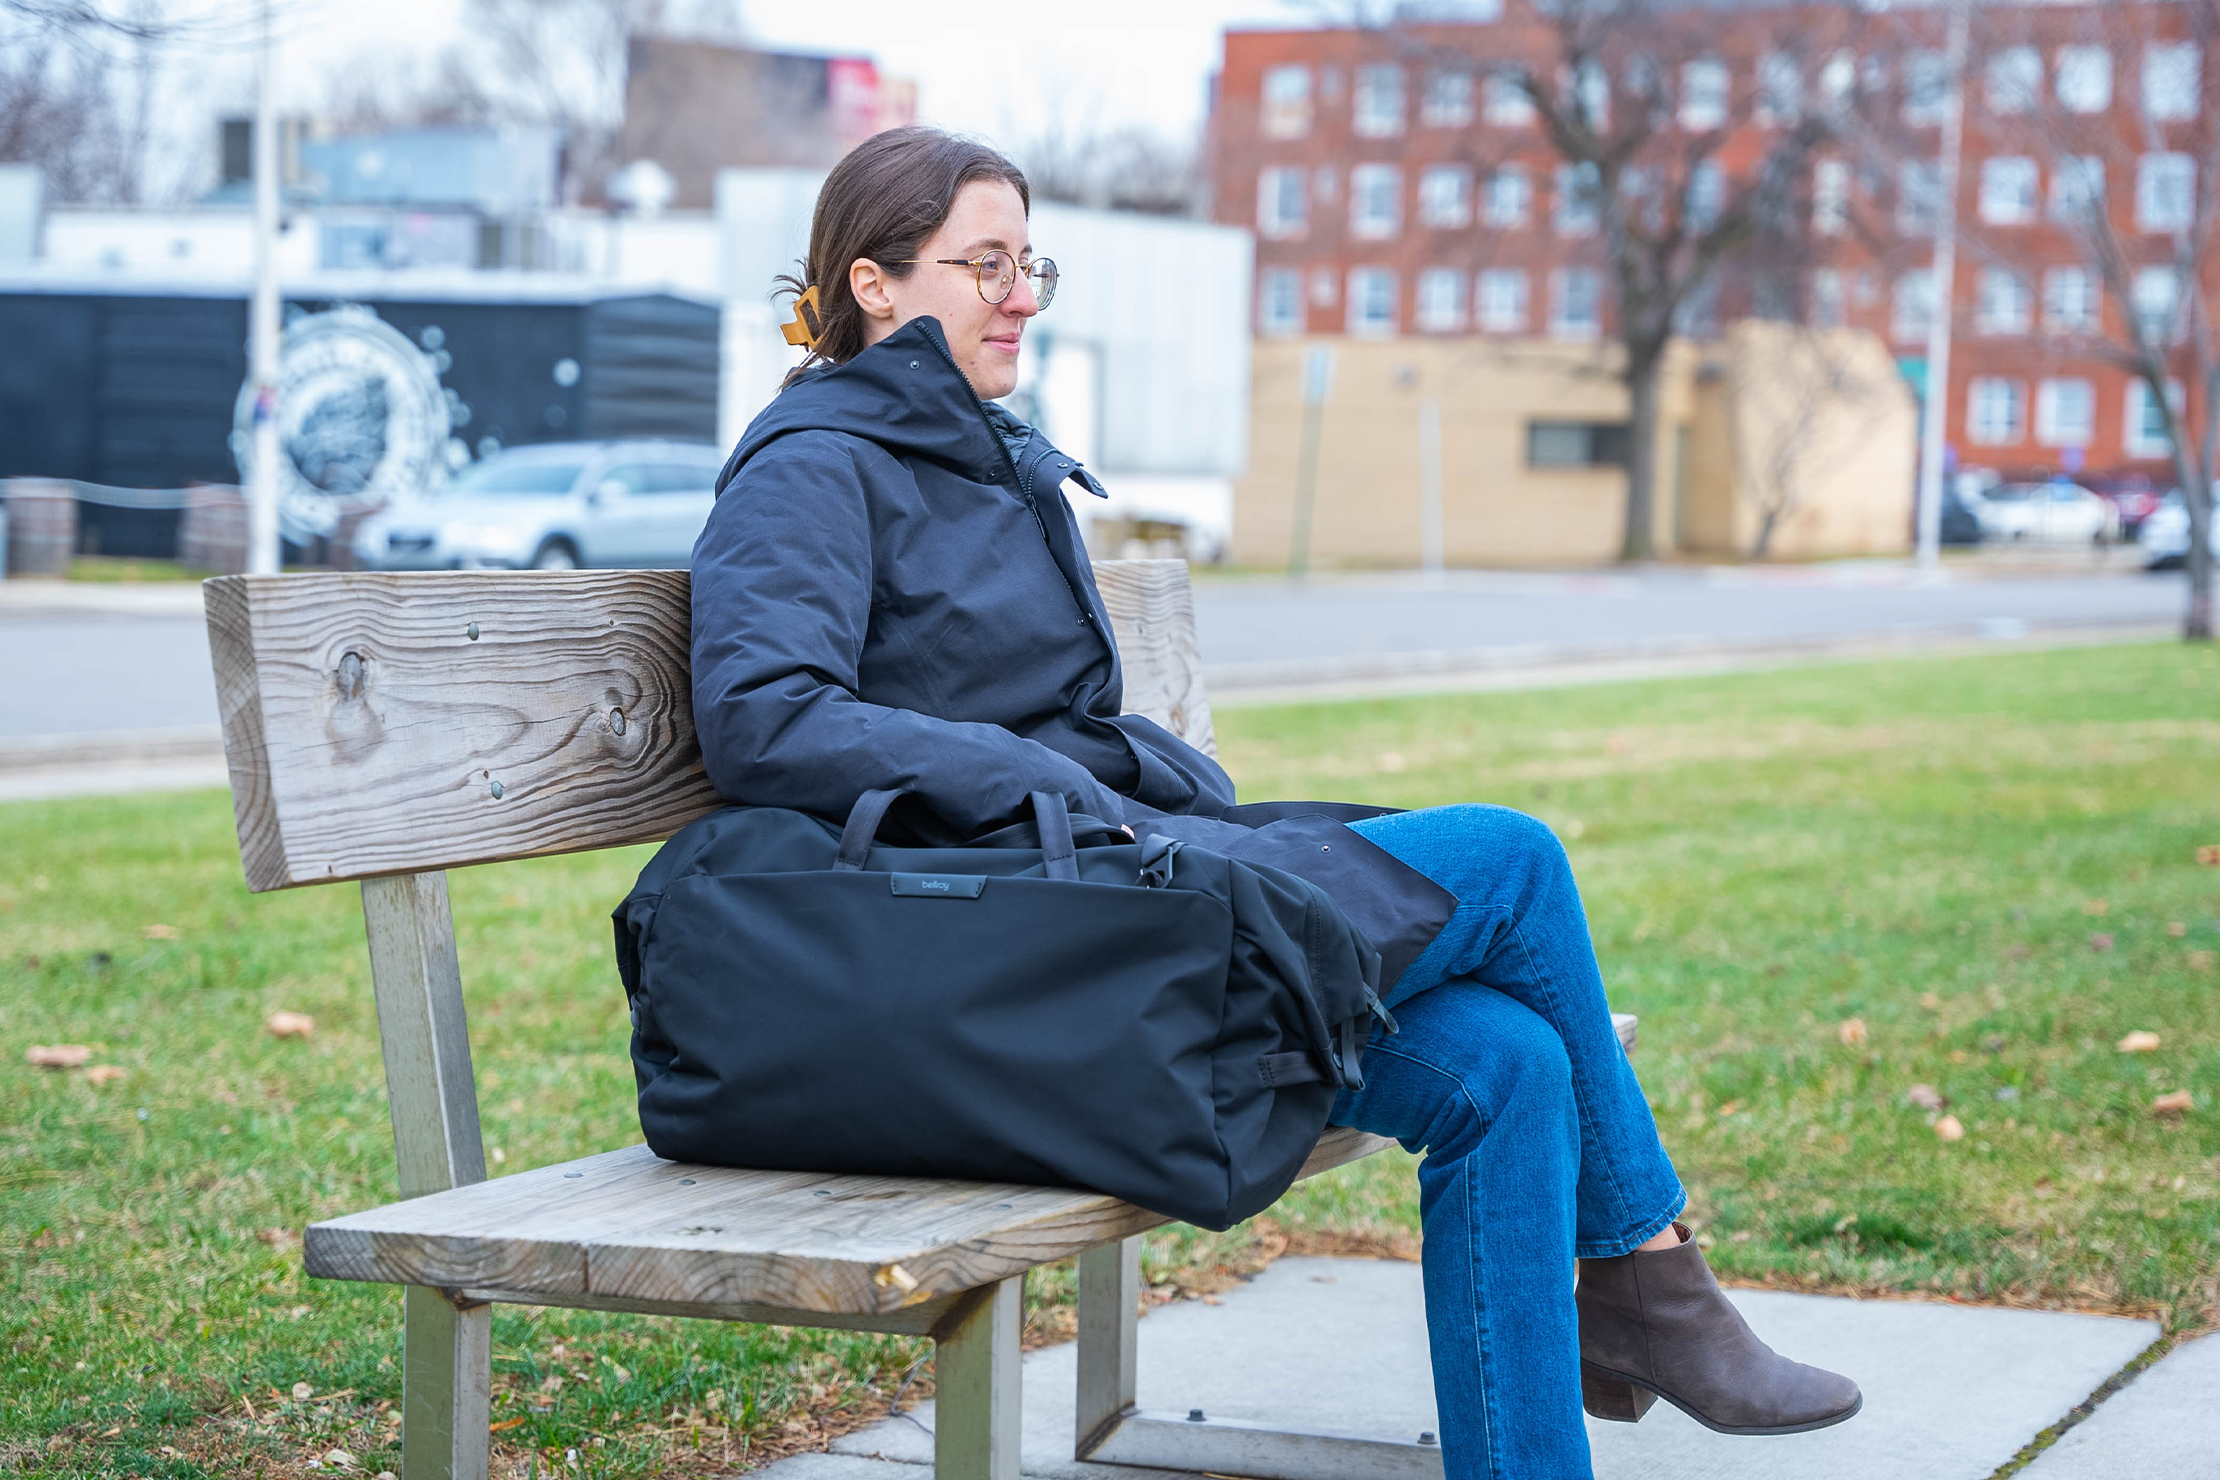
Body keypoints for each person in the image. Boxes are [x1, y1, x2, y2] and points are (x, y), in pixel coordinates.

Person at [690, 125, 1861, 1480]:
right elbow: (768, 715)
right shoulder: (811, 467)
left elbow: (1017, 711)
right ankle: (1654, 1289)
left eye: (1031, 265)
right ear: (874, 283)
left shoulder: (976, 459)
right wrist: (1052, 775)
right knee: (1514, 860)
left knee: (1508, 1065)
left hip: (1076, 916)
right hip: (1001, 962)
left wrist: (1133, 766)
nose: (1021, 294)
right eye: (985, 264)